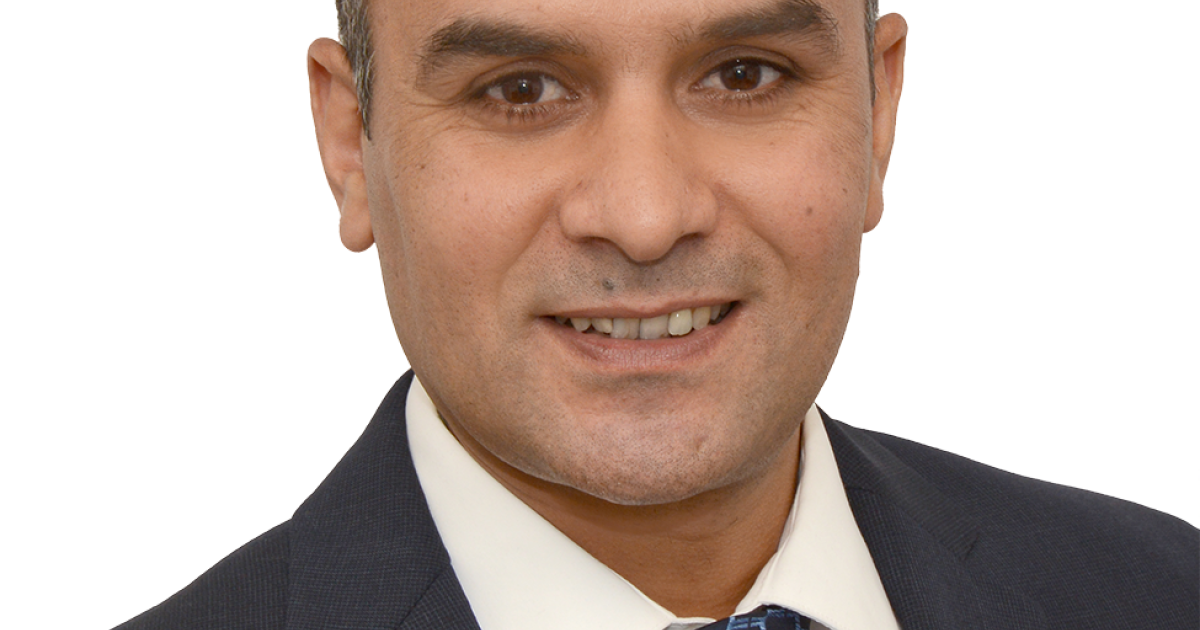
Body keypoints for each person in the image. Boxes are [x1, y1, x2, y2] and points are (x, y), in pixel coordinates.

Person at [113, 0, 1200, 628]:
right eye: (520, 90)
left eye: (746, 73)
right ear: (350, 143)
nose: (644, 217)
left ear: (880, 111)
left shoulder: (1162, 593)